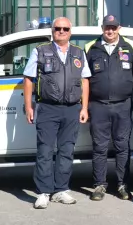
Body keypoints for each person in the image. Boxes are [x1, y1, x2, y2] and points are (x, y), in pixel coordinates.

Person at [23, 17, 91, 209]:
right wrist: (28, 106)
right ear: (52, 31)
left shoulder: (78, 53)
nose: (61, 31)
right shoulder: (40, 51)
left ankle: (61, 189)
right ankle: (44, 191)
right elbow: (28, 79)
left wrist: (84, 107)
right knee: (45, 150)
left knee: (67, 150)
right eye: (57, 28)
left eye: (65, 29)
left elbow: (85, 81)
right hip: (47, 108)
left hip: (71, 109)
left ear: (71, 32)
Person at [83, 14, 133, 201]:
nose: (110, 31)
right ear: (102, 28)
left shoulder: (130, 47)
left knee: (122, 146)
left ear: (119, 28)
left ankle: (122, 185)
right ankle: (99, 185)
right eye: (107, 27)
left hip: (123, 105)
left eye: (113, 27)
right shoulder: (91, 48)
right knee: (99, 147)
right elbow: (83, 77)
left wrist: (124, 91)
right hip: (98, 105)